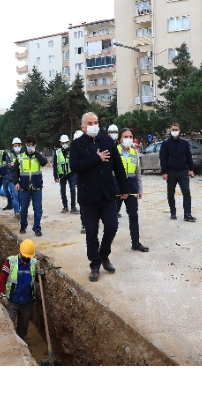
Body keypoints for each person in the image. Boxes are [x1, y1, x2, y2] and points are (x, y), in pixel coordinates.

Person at [70, 112, 129, 282]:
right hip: (88, 197)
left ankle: (104, 255)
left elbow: (118, 166)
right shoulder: (76, 145)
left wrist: (124, 188)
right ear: (83, 127)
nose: (93, 125)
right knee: (91, 233)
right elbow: (75, 166)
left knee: (112, 226)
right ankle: (95, 264)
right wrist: (96, 158)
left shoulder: (107, 141)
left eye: (96, 122)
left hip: (107, 194)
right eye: (90, 123)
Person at [115, 128, 149, 252]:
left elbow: (138, 173)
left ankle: (136, 243)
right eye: (125, 136)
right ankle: (106, 244)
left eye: (130, 136)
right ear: (120, 139)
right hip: (117, 190)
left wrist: (140, 189)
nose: (128, 139)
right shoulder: (114, 152)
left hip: (132, 189)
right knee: (112, 219)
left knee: (133, 216)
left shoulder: (135, 153)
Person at [0, 239, 38, 340]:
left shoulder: (33, 263)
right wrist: (2, 295)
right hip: (13, 301)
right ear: (21, 252)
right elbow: (2, 278)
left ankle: (21, 344)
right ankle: (11, 342)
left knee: (23, 326)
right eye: (26, 256)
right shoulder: (10, 262)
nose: (27, 258)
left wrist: (40, 275)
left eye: (29, 257)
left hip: (27, 302)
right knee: (9, 324)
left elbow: (34, 278)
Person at [159, 123, 196, 222]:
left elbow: (188, 156)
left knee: (186, 192)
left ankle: (187, 214)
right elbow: (163, 158)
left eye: (176, 129)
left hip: (183, 172)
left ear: (179, 131)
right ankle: (173, 212)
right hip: (171, 172)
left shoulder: (184, 143)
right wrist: (164, 172)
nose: (175, 131)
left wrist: (191, 169)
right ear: (170, 130)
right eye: (173, 129)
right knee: (171, 193)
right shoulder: (166, 143)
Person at [14, 136, 48, 236]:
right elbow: (15, 171)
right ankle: (23, 225)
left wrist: (36, 153)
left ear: (35, 145)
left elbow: (44, 162)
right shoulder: (20, 157)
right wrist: (16, 182)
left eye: (32, 145)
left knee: (37, 209)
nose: (30, 147)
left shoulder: (38, 156)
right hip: (24, 188)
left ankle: (37, 228)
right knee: (23, 209)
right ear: (25, 145)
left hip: (37, 187)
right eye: (28, 145)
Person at [53, 134, 78, 214]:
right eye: (63, 143)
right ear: (60, 143)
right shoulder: (57, 152)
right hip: (62, 175)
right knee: (63, 191)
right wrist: (56, 176)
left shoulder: (72, 151)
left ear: (69, 142)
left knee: (73, 190)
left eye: (66, 142)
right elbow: (55, 165)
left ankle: (73, 207)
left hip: (71, 173)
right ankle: (65, 207)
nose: (64, 144)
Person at [73, 130, 87, 234]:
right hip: (81, 182)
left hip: (93, 181)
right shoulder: (74, 153)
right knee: (83, 204)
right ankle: (84, 224)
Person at [7, 137, 23, 220]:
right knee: (15, 195)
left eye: (19, 145)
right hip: (11, 179)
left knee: (21, 197)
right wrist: (17, 166)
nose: (17, 147)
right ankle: (17, 212)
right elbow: (10, 167)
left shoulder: (24, 155)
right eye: (15, 145)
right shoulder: (9, 155)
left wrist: (15, 165)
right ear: (13, 146)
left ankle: (19, 211)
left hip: (22, 178)